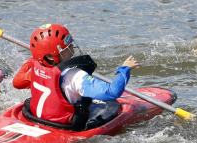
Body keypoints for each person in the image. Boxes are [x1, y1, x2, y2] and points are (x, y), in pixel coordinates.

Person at [12, 24, 140, 131]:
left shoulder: (35, 69)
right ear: (51, 57)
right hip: (64, 126)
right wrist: (125, 69)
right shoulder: (74, 76)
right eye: (67, 47)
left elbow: (16, 83)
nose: (72, 47)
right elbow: (112, 92)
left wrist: (31, 61)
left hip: (37, 119)